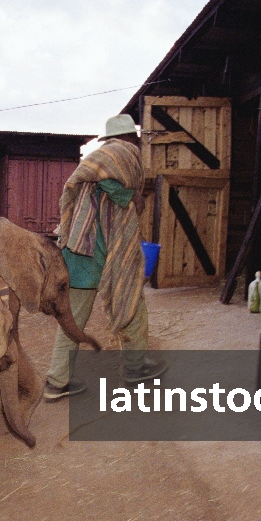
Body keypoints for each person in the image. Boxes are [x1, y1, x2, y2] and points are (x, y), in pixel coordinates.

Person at [44, 114, 168, 400]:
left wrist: (130, 197)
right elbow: (119, 191)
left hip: (78, 253)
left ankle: (56, 381)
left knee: (72, 320)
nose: (135, 144)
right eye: (134, 139)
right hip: (96, 254)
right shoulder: (122, 155)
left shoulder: (98, 164)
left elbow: (111, 190)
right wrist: (134, 197)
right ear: (129, 138)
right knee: (132, 304)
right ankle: (135, 369)